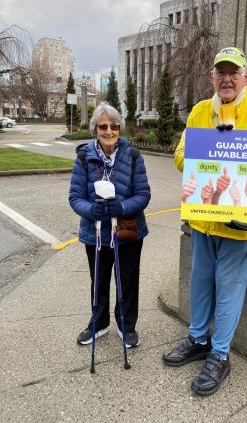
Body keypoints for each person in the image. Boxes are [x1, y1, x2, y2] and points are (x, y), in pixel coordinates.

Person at [162, 47, 247, 396]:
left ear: (246, 77)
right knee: (200, 285)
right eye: (220, 72)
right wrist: (211, 148)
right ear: (212, 77)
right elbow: (181, 156)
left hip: (240, 226)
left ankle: (220, 355)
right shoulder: (199, 112)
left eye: (233, 72)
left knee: (229, 290)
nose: (227, 78)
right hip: (203, 220)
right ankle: (197, 340)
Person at [69, 103, 150, 348]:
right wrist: (91, 210)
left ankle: (127, 325)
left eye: (114, 126)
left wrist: (123, 208)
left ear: (120, 129)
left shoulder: (134, 156)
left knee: (127, 281)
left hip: (127, 228)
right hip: (95, 232)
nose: (109, 131)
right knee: (99, 280)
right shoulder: (84, 158)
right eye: (103, 126)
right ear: (95, 129)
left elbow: (143, 193)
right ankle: (99, 321)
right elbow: (75, 197)